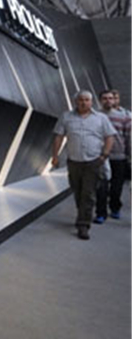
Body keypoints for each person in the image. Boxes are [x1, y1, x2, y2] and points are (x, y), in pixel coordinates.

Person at [51, 90, 116, 240]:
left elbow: (110, 136)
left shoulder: (101, 118)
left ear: (91, 102)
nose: (84, 102)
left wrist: (104, 155)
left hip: (93, 161)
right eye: (81, 100)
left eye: (87, 100)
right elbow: (59, 136)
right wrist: (55, 156)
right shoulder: (66, 117)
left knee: (88, 193)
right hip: (74, 161)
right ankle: (82, 214)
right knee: (78, 191)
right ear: (76, 102)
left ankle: (83, 225)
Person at [96, 90, 130, 221]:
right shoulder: (95, 116)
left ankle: (115, 207)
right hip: (100, 156)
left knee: (116, 186)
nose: (108, 101)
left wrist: (129, 155)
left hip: (119, 156)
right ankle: (101, 213)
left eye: (110, 98)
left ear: (114, 100)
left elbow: (129, 137)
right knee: (101, 186)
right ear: (100, 100)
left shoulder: (124, 117)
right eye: (105, 98)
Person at [111, 89, 132, 182]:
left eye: (115, 98)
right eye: (111, 98)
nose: (113, 101)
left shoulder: (127, 114)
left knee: (118, 181)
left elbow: (129, 136)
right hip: (102, 154)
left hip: (120, 153)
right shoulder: (99, 115)